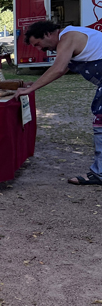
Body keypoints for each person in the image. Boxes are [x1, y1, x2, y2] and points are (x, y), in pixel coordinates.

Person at [14, 20, 102, 185]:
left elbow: (58, 68)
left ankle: (100, 173)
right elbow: (61, 68)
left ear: (48, 34)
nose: (40, 50)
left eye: (39, 44)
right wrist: (34, 84)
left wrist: (29, 90)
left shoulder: (67, 37)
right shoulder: (68, 40)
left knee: (101, 123)